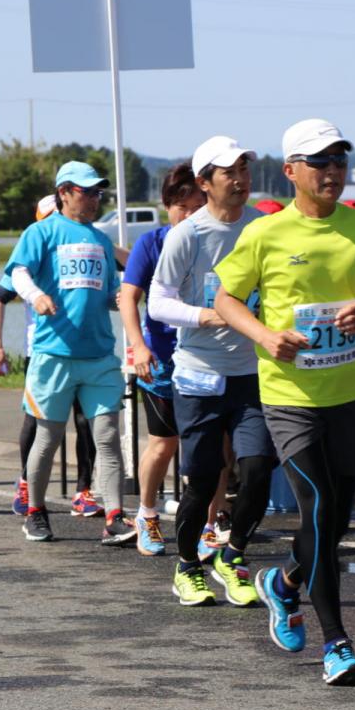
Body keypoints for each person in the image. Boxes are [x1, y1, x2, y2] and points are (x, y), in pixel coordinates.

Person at [214, 117, 355, 685]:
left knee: (331, 517)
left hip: (346, 395)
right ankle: (338, 644)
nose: (333, 171)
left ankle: (283, 584)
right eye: (320, 161)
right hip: (289, 397)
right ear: (291, 171)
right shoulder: (266, 233)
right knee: (321, 508)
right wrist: (264, 335)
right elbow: (227, 299)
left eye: (339, 160)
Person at [148, 136, 276, 607]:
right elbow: (158, 302)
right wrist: (208, 315)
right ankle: (187, 566)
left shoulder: (263, 228)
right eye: (229, 172)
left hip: (252, 372)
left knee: (257, 469)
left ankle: (233, 557)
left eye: (244, 170)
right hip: (199, 374)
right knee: (202, 482)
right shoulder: (189, 234)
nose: (240, 180)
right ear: (205, 182)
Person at [4, 161, 130, 545]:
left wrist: (121, 299)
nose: (94, 199)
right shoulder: (42, 232)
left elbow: (106, 292)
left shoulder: (101, 240)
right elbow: (18, 273)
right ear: (64, 192)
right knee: (47, 439)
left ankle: (114, 517)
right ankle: (36, 512)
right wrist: (36, 296)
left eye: (98, 193)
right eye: (86, 192)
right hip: (54, 354)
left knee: (107, 436)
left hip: (99, 355)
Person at [0, 197, 102, 518]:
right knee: (38, 421)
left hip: (85, 350)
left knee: (86, 421)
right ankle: (26, 483)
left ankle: (83, 491)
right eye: (51, 216)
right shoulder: (33, 251)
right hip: (43, 352)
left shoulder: (86, 246)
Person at [119, 162, 208, 557]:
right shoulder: (151, 243)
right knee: (163, 444)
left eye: (196, 207)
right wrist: (139, 345)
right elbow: (128, 297)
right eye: (180, 208)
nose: (188, 216)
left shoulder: (214, 241)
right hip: (162, 361)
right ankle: (147, 513)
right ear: (167, 207)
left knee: (211, 447)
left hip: (206, 358)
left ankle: (210, 523)